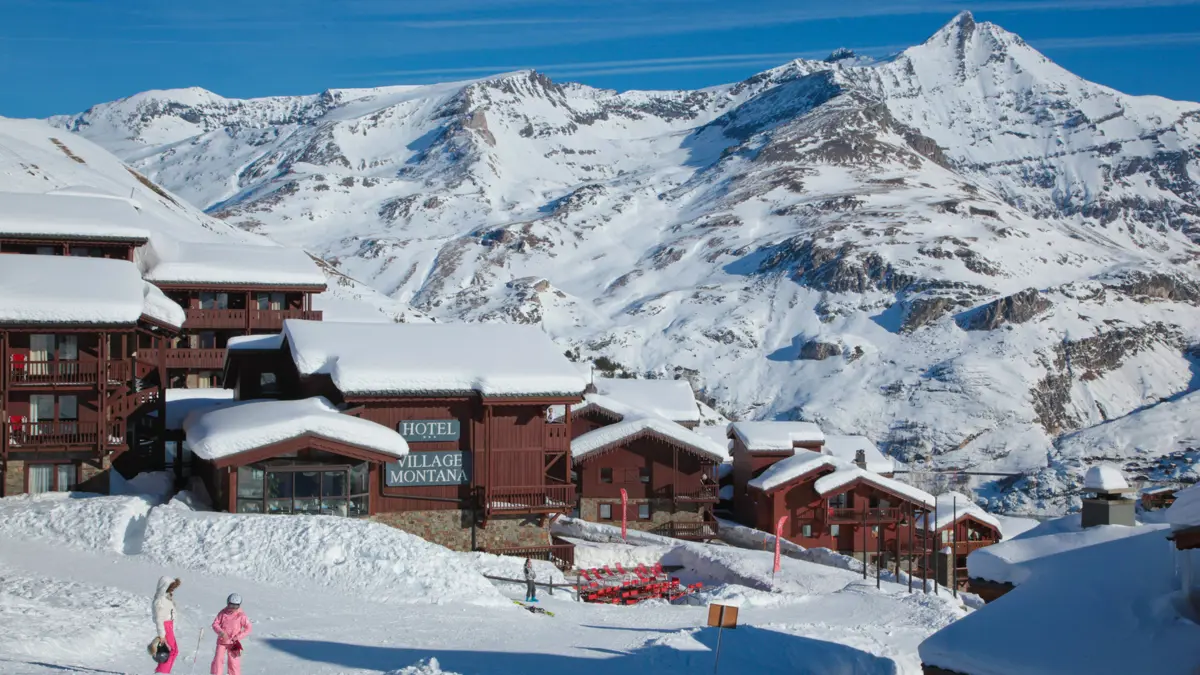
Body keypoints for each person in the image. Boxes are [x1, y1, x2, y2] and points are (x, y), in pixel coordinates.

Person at [211, 593, 252, 675]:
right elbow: (215, 624)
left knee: (234, 663)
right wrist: (221, 632)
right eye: (231, 605)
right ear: (227, 603)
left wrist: (237, 637)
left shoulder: (241, 615)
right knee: (218, 660)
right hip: (222, 641)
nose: (233, 608)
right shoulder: (223, 613)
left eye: (235, 606)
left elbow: (248, 628)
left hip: (234, 643)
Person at [151, 576, 182, 674]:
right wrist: (162, 635)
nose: (172, 590)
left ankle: (164, 671)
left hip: (169, 625)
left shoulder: (166, 598)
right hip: (165, 626)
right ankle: (162, 671)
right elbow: (158, 619)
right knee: (171, 651)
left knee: (174, 651)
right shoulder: (159, 600)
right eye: (171, 587)